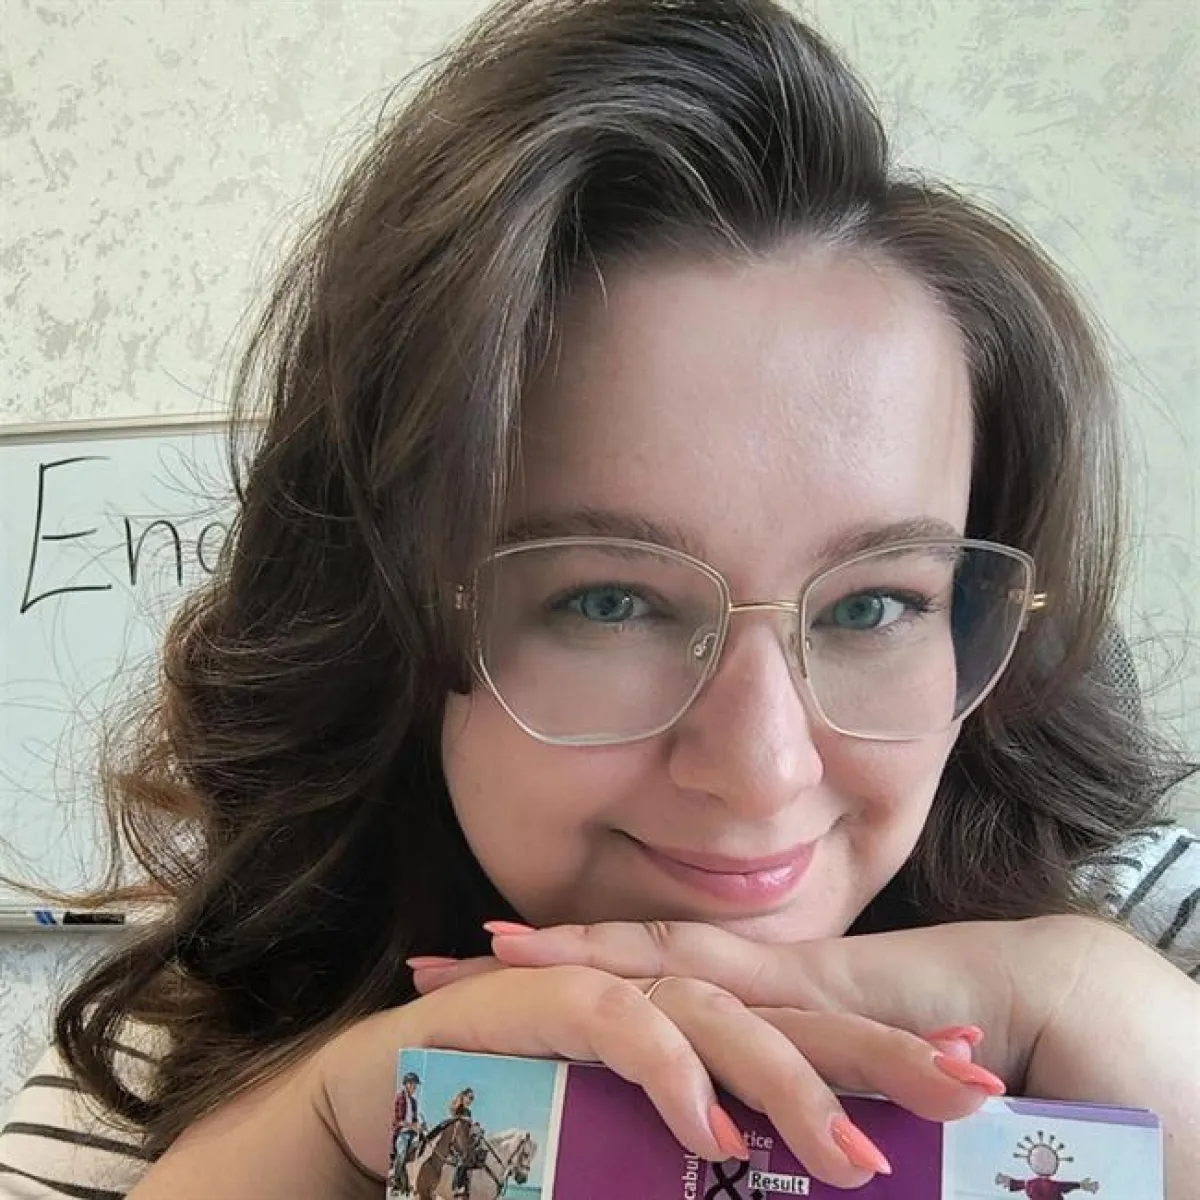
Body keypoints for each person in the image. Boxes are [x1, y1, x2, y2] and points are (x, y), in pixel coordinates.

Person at [1, 0, 1197, 1197]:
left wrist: (1140, 1056)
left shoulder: (1152, 944)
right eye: (611, 602)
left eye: (874, 606)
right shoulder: (159, 1081)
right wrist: (314, 1145)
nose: (763, 771)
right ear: (389, 620)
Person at [389, 1071, 423, 1195]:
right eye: (413, 1084)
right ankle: (395, 1181)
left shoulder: (414, 1102)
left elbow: (415, 1119)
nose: (415, 1087)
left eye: (415, 1085)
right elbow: (398, 1120)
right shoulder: (399, 1097)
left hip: (412, 1133)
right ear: (407, 1084)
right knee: (402, 1153)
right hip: (402, 1132)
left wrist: (419, 1126)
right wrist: (411, 1126)